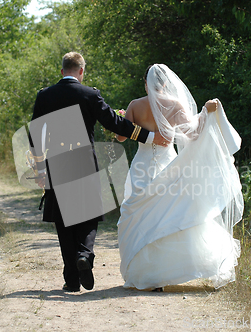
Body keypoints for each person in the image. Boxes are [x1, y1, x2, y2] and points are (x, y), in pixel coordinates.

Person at [29, 53, 168, 293]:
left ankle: (71, 280)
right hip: (84, 163)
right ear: (82, 71)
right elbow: (115, 123)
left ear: (62, 71)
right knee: (88, 216)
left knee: (64, 223)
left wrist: (40, 169)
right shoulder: (90, 95)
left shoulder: (45, 96)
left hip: (57, 165)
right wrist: (149, 136)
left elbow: (35, 136)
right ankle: (84, 254)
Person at [116, 64, 244, 291]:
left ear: (145, 84)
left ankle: (148, 274)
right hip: (168, 165)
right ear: (165, 84)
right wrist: (205, 113)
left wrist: (122, 119)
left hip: (141, 167)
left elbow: (120, 137)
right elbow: (193, 133)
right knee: (170, 216)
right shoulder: (174, 104)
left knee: (141, 216)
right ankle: (165, 272)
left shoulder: (135, 105)